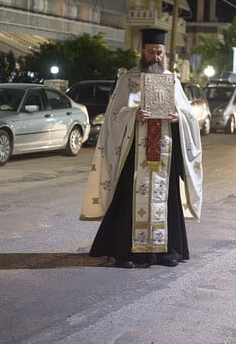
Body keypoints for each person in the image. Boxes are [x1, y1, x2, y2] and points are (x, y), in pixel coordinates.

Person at [81, 28, 202, 268]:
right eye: (151, 52)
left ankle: (167, 251)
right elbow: (114, 116)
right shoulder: (129, 80)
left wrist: (180, 118)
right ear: (142, 52)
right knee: (129, 200)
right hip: (134, 154)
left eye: (159, 53)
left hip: (165, 156)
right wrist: (133, 114)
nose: (155, 57)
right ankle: (126, 253)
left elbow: (189, 115)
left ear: (164, 53)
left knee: (166, 199)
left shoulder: (172, 79)